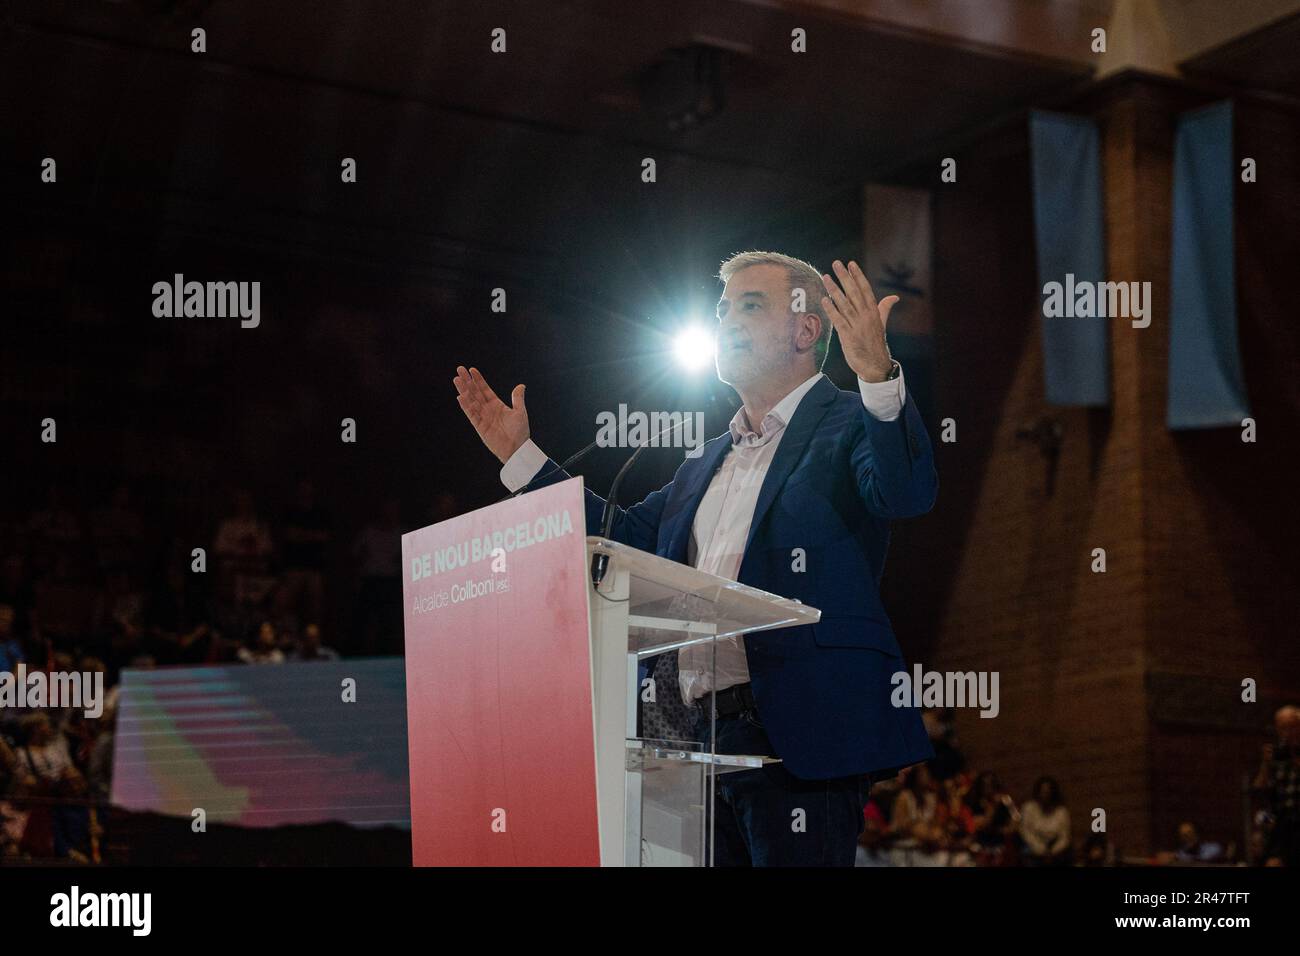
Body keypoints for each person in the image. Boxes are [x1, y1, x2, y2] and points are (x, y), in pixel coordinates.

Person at [453, 251, 937, 866]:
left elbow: (906, 492)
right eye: (722, 309)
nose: (727, 320)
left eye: (750, 305)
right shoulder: (701, 465)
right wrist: (521, 458)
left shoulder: (849, 424)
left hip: (796, 737)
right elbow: (618, 536)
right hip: (687, 748)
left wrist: (876, 374)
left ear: (805, 329)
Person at [1251, 704, 1300, 866]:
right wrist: (1265, 764)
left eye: (1292, 727)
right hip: (1283, 821)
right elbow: (1259, 788)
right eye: (1282, 728)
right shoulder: (1278, 754)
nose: (1288, 733)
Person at [1019, 775, 1072, 865]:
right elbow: (1026, 831)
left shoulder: (1061, 812)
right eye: (1043, 792)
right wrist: (1040, 849)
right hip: (1033, 846)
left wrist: (1053, 851)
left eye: (1048, 792)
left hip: (1055, 850)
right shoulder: (1029, 808)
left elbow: (1065, 836)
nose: (1045, 795)